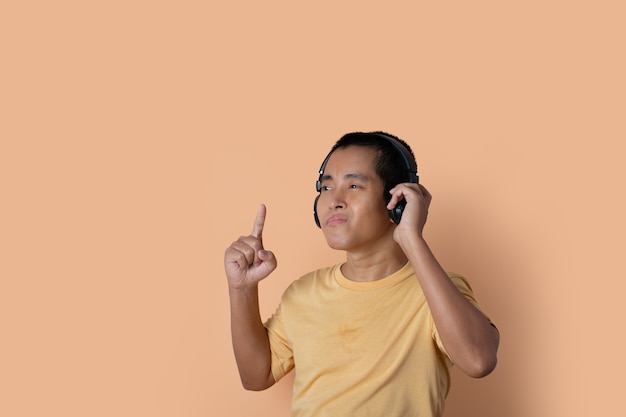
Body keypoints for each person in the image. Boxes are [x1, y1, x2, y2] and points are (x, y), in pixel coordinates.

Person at [224, 131, 499, 417]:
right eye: (326, 188)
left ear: (397, 200)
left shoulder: (438, 290)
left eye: (354, 185)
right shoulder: (302, 293)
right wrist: (241, 289)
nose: (334, 200)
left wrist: (412, 237)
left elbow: (478, 360)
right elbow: (255, 376)